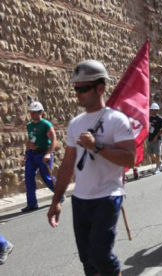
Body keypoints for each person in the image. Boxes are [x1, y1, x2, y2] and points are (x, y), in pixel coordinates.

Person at [47, 60, 136, 276]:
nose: (78, 93)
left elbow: (129, 159)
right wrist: (56, 201)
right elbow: (68, 165)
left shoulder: (118, 120)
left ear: (100, 88)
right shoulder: (75, 123)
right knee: (88, 262)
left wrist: (96, 146)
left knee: (101, 256)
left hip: (107, 196)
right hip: (81, 199)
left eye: (83, 88)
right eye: (76, 88)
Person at [22, 101, 58, 212]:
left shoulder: (46, 124)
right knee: (28, 178)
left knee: (47, 178)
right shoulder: (29, 125)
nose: (33, 114)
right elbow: (30, 140)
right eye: (31, 112)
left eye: (36, 112)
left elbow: (54, 140)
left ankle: (59, 195)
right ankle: (32, 204)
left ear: (41, 112)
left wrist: (48, 153)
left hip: (43, 154)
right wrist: (27, 150)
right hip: (31, 155)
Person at [148, 103, 162, 175]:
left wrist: (157, 136)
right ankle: (158, 162)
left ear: (157, 110)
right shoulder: (149, 118)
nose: (153, 111)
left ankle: (157, 168)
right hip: (150, 138)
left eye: (155, 110)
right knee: (150, 153)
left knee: (157, 154)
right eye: (152, 110)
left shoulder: (160, 119)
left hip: (157, 139)